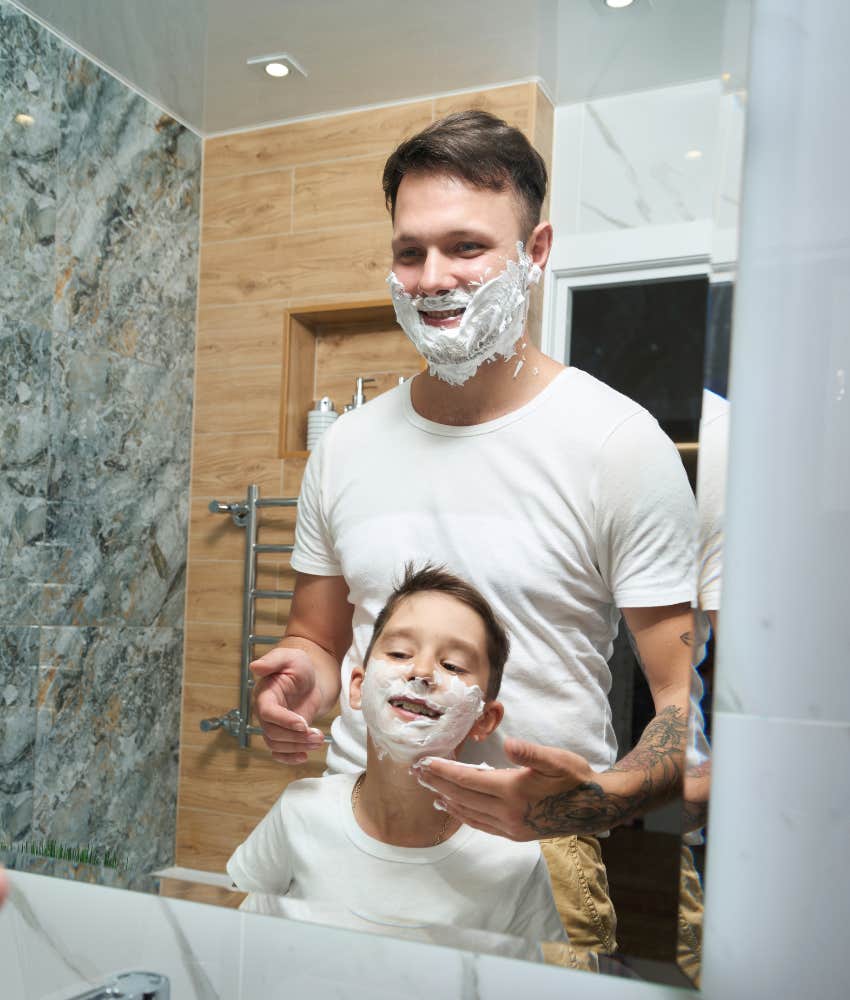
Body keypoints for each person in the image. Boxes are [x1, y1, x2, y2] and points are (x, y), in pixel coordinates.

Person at [250, 110, 697, 957]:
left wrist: (588, 802)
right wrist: (299, 683)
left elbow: (684, 704)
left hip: (534, 855)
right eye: (409, 251)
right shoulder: (346, 446)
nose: (431, 277)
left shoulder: (617, 444)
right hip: (358, 829)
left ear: (535, 252)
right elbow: (316, 637)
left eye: (465, 247)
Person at [227, 565, 567, 951]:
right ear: (357, 686)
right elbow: (242, 949)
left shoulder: (512, 858)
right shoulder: (300, 812)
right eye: (401, 652)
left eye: (452, 665)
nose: (421, 672)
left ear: (483, 719)